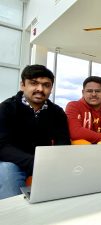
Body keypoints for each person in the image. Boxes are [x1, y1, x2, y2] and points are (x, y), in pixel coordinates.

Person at [0, 64, 71, 200]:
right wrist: (33, 161)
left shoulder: (56, 112)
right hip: (12, 162)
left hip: (44, 162)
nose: (40, 89)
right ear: (23, 85)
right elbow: (1, 145)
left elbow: (63, 141)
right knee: (6, 171)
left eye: (46, 85)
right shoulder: (6, 108)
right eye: (34, 83)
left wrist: (54, 160)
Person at [65, 76, 101, 143]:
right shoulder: (73, 106)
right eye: (89, 91)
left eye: (98, 91)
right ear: (83, 92)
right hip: (78, 150)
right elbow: (75, 132)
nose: (94, 94)